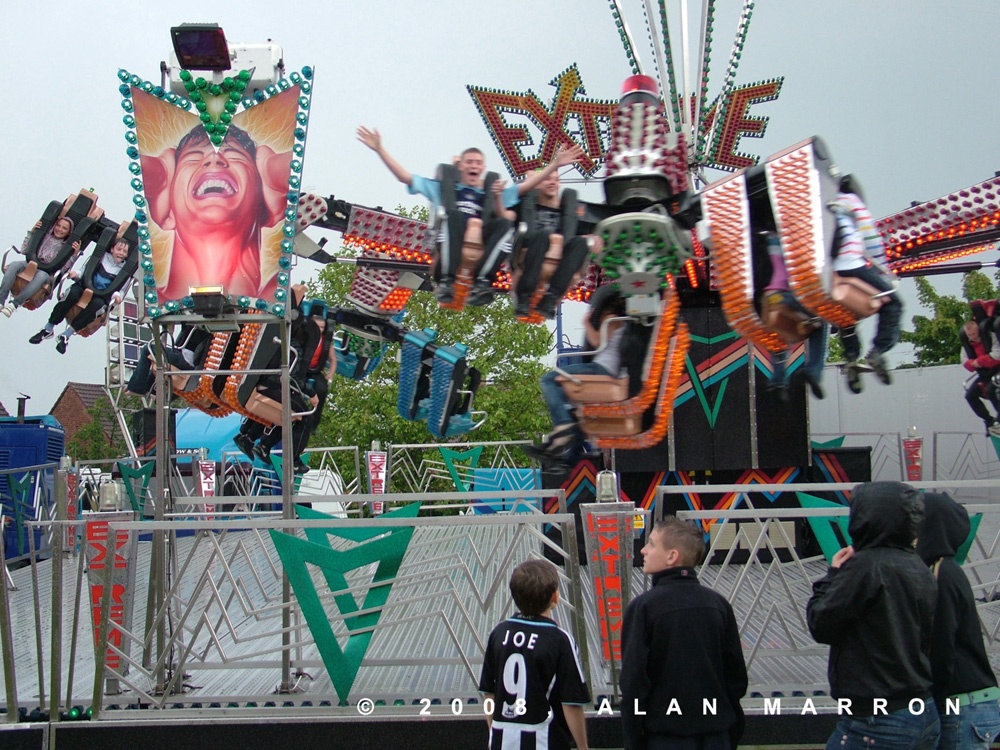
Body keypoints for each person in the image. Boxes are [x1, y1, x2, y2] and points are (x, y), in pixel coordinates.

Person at [356, 126, 582, 306]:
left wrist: (555, 165)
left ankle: (483, 281)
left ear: (482, 168)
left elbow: (525, 188)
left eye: (478, 163)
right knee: (453, 215)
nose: (474, 166)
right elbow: (405, 177)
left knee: (504, 223)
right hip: (452, 237)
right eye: (469, 162)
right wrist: (380, 149)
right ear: (461, 166)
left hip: (479, 242)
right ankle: (447, 280)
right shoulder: (444, 189)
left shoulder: (491, 192)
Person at [807, 481, 939, 750]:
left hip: (876, 718)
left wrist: (832, 575)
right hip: (922, 707)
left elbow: (821, 623)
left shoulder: (865, 567)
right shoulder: (918, 565)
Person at [620, 518, 748, 750]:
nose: (643, 550)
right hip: (717, 735)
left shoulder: (644, 608)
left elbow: (633, 682)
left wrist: (633, 738)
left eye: (651, 544)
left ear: (672, 556)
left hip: (665, 737)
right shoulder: (718, 604)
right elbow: (736, 677)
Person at [139, 124, 292, 301]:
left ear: (264, 204)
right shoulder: (153, 303)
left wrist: (269, 168)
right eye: (193, 157)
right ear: (168, 212)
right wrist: (160, 173)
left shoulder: (272, 301)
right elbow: (134, 166)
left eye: (235, 155)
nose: (214, 158)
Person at [915, 492, 1000, 750]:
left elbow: (941, 645)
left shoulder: (942, 575)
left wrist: (929, 701)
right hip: (966, 701)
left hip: (962, 703)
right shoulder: (941, 570)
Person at [478, 558, 590, 750]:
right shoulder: (560, 640)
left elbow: (489, 693)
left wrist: (494, 733)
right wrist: (583, 746)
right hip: (544, 739)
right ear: (555, 597)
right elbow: (571, 703)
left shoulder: (499, 633)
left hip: (502, 739)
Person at [525, 284, 625, 467]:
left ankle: (562, 425)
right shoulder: (625, 325)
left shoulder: (612, 319)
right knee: (575, 412)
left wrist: (586, 322)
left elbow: (596, 340)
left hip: (601, 369)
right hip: (609, 371)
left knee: (549, 379)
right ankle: (563, 455)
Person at [829, 175, 903, 394]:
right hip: (851, 264)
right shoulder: (851, 201)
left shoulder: (823, 204)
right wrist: (885, 272)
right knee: (893, 304)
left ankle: (851, 357)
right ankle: (878, 351)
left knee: (846, 314)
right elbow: (871, 240)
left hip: (828, 273)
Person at [494, 169, 591, 320]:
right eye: (547, 179)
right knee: (544, 234)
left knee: (581, 243)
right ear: (537, 183)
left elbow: (590, 233)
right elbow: (505, 217)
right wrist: (498, 197)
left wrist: (593, 240)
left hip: (558, 259)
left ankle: (550, 298)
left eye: (556, 180)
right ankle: (524, 297)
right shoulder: (525, 205)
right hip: (529, 252)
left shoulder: (568, 212)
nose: (552, 182)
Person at [28, 238, 131, 354]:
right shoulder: (101, 257)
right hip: (85, 285)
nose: (121, 253)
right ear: (112, 249)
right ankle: (48, 328)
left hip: (102, 295)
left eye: (125, 251)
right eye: (119, 249)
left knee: (97, 305)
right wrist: (75, 274)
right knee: (72, 294)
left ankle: (67, 335)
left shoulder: (125, 269)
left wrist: (117, 296)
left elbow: (121, 290)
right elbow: (84, 270)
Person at [761, 233, 827, 401]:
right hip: (783, 295)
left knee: (780, 333)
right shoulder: (790, 240)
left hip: (766, 300)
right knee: (821, 320)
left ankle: (778, 381)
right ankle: (814, 371)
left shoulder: (757, 243)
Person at [1, 217, 81, 317]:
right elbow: (24, 250)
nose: (60, 229)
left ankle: (14, 305)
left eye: (64, 228)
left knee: (41, 277)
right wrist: (32, 232)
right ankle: (1, 300)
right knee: (13, 265)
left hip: (46, 272)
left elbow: (64, 269)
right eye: (58, 225)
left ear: (69, 232)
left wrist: (74, 254)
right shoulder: (43, 236)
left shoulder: (66, 247)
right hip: (30, 263)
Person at [124, 324, 213, 396]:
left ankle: (137, 387)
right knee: (156, 360)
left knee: (148, 349)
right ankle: (147, 389)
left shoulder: (195, 323)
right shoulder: (199, 325)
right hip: (186, 357)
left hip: (185, 358)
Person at [959, 319, 1000, 437]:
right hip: (984, 374)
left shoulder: (990, 337)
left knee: (990, 390)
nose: (972, 337)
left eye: (974, 334)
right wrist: (974, 364)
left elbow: (997, 354)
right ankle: (989, 420)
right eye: (969, 335)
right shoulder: (967, 344)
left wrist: (979, 361)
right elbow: (964, 360)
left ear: (979, 331)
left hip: (997, 371)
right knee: (970, 395)